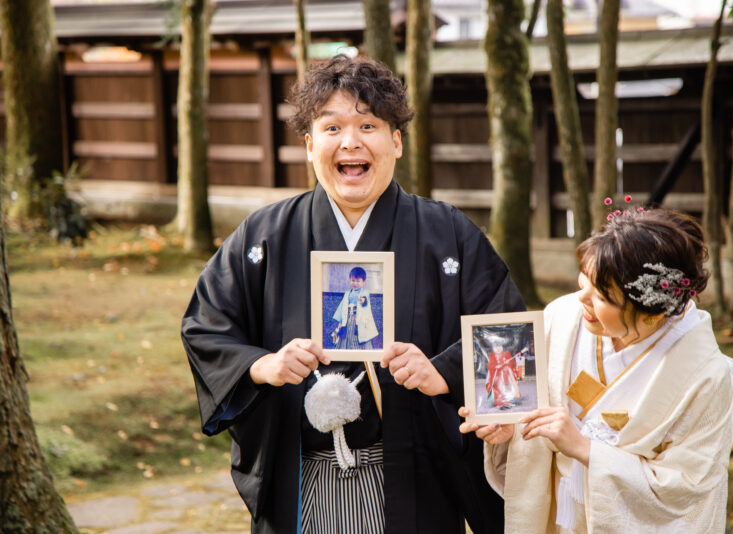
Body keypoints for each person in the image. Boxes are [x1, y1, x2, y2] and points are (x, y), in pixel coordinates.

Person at [181, 54, 524, 534]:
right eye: (331, 128)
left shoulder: (448, 234)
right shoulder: (264, 235)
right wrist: (265, 366)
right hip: (303, 479)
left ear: (396, 142)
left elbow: (507, 340)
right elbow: (205, 326)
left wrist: (442, 372)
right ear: (308, 145)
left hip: (415, 480)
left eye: (368, 125)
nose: (350, 142)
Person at [460, 207, 733, 533]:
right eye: (584, 280)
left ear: (653, 314)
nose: (581, 298)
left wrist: (585, 449)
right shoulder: (562, 317)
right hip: (555, 514)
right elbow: (522, 405)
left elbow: (683, 487)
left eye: (600, 295)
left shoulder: (705, 375)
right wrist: (510, 431)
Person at [331, 266, 379, 349]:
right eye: (353, 280)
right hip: (348, 318)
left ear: (364, 282)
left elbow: (365, 304)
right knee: (346, 335)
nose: (355, 283)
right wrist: (341, 321)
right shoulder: (347, 293)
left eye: (358, 281)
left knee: (358, 335)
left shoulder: (365, 293)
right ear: (350, 280)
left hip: (359, 320)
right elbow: (342, 308)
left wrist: (362, 300)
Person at [485, 337, 520, 410]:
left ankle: (508, 401)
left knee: (507, 388)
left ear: (502, 347)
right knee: (498, 387)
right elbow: (490, 365)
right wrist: (496, 366)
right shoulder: (492, 356)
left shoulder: (506, 354)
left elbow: (512, 362)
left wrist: (508, 362)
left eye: (500, 346)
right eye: (496, 347)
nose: (498, 349)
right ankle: (500, 401)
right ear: (493, 348)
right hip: (496, 375)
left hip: (506, 375)